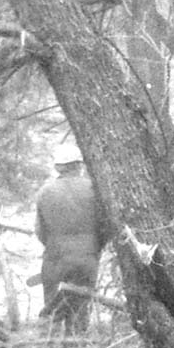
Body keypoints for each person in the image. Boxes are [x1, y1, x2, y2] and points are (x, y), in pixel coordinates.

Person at [35, 142, 109, 333]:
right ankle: (78, 346)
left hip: (56, 258)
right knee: (80, 310)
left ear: (58, 167)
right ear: (79, 164)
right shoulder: (95, 189)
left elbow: (40, 232)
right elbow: (105, 228)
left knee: (53, 310)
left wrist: (55, 246)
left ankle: (51, 346)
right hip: (87, 258)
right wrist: (93, 248)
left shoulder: (45, 192)